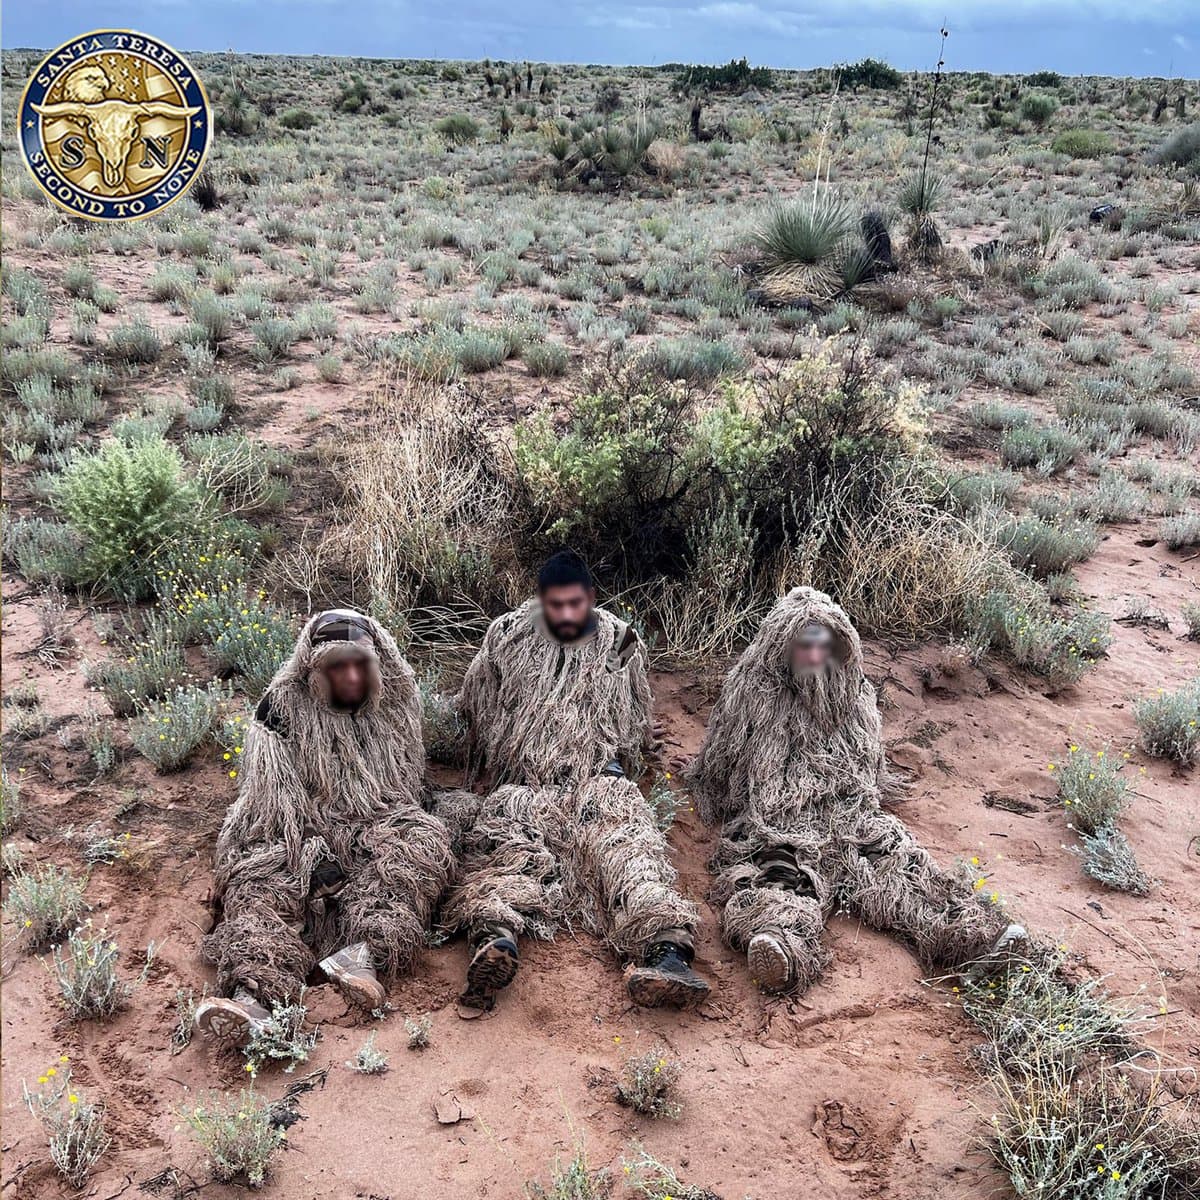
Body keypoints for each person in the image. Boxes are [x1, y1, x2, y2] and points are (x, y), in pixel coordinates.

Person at [687, 586, 1026, 996]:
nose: (814, 652)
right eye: (804, 642)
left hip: (852, 814)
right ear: (783, 644)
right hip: (780, 819)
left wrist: (847, 795)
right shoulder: (753, 691)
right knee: (779, 872)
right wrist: (735, 800)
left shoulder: (854, 694)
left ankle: (976, 940)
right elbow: (724, 760)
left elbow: (867, 764)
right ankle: (779, 944)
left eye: (823, 642)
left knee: (898, 864)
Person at [442, 551, 710, 1011]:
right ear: (539, 600)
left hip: (598, 777)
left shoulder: (620, 641)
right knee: (509, 854)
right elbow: (476, 703)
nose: (565, 615)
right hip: (526, 783)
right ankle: (494, 939)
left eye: (575, 604)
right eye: (554, 605)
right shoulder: (507, 636)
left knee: (630, 848)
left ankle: (668, 952)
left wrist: (643, 736)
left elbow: (631, 710)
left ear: (592, 597)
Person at [195, 609, 458, 1042]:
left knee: (419, 847)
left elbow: (404, 789)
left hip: (376, 822)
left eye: (360, 663)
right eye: (337, 666)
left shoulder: (395, 702)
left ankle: (364, 956)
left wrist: (381, 834)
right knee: (261, 886)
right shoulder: (278, 711)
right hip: (291, 832)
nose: (351, 675)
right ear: (313, 670)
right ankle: (253, 995)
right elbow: (273, 805)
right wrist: (314, 857)